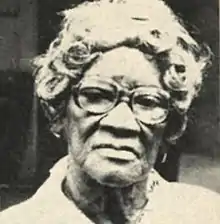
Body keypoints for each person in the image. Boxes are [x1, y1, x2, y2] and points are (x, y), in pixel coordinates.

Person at [1, 0, 219, 223]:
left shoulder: (206, 214)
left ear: (171, 126)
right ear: (59, 113)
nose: (121, 122)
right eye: (96, 96)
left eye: (147, 101)